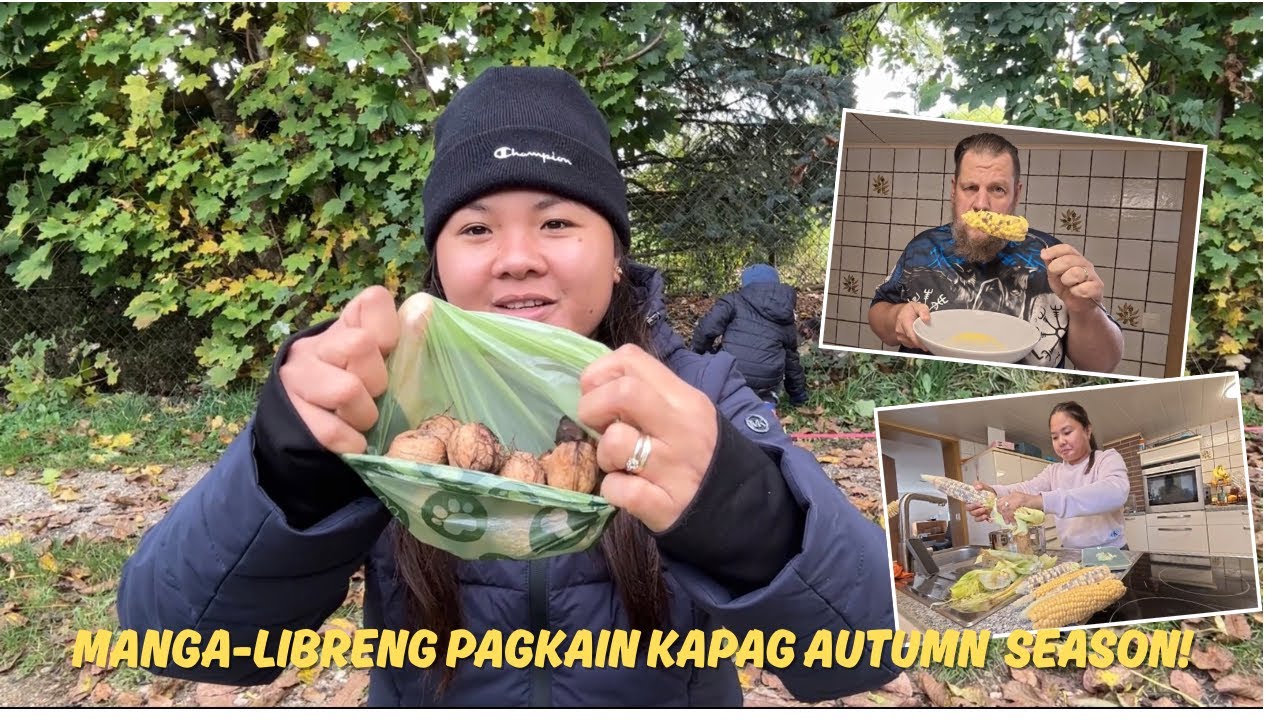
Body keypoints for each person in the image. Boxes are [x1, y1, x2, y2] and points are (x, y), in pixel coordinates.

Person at [116, 66, 899, 707]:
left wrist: (743, 513)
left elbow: (864, 650)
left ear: (615, 252)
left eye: (558, 223)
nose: (517, 257)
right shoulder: (385, 397)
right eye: (477, 227)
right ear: (441, 261)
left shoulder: (695, 392)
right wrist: (290, 473)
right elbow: (173, 639)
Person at [868, 132, 1124, 372]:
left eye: (997, 189)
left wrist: (1086, 310)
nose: (981, 204)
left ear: (1016, 194)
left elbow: (1103, 365)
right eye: (970, 188)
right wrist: (896, 318)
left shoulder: (1054, 259)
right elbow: (879, 313)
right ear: (953, 189)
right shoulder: (922, 248)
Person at [965, 401, 1129, 549]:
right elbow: (1027, 488)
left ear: (1087, 430)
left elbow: (1114, 492)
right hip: (1072, 553)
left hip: (1112, 550)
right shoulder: (1053, 471)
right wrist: (993, 493)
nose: (1061, 441)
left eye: (1067, 432)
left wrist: (1039, 500)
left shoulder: (1107, 459)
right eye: (1055, 437)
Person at [690, 263, 809, 408]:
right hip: (766, 380)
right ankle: (766, 399)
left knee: (719, 362)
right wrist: (799, 396)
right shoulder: (785, 312)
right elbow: (791, 361)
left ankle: (723, 398)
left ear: (745, 284)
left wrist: (699, 355)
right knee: (778, 364)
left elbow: (706, 329)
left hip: (731, 375)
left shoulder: (734, 300)